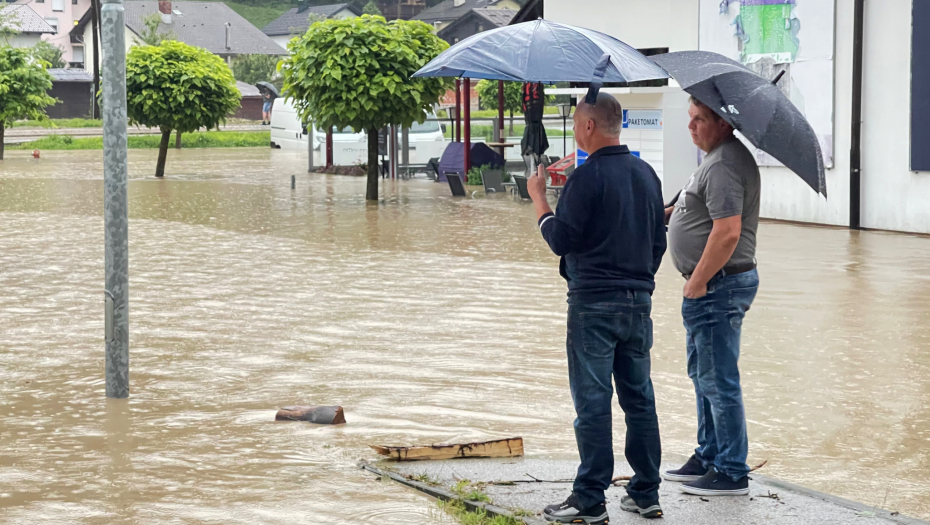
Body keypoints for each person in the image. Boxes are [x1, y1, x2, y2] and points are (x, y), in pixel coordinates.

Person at [527, 93, 667, 523]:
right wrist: (638, 280)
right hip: (638, 302)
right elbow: (658, 242)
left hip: (592, 304)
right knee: (639, 399)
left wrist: (540, 201)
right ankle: (646, 491)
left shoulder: (585, 178)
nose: (574, 131)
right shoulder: (647, 175)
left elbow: (561, 240)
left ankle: (590, 498)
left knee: (593, 402)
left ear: (589, 126)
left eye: (575, 123)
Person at [662, 97, 761, 496]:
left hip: (717, 286)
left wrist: (697, 282)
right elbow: (704, 212)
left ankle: (731, 471)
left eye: (700, 119)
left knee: (718, 380)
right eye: (690, 118)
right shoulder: (716, 159)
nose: (691, 126)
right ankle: (709, 455)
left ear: (722, 123)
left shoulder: (723, 164)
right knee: (704, 374)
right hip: (713, 285)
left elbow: (728, 232)